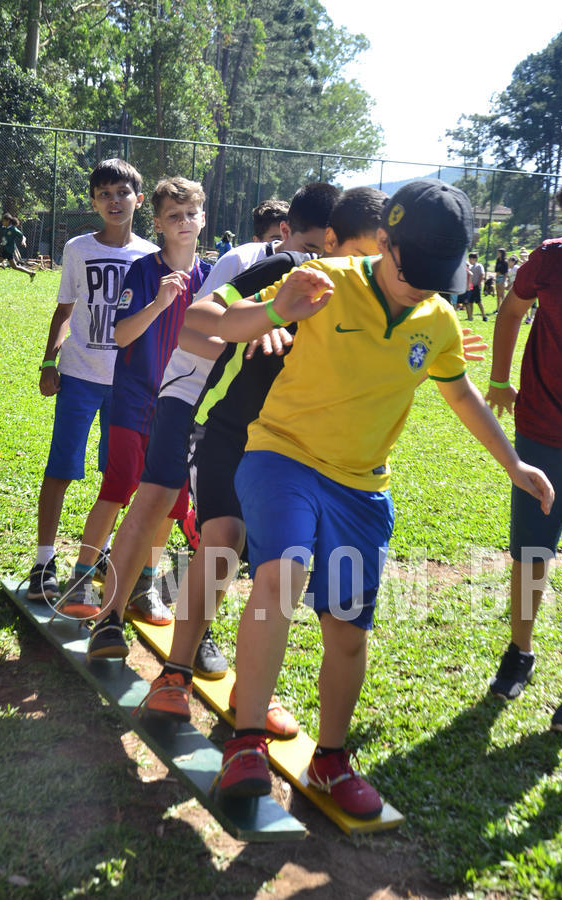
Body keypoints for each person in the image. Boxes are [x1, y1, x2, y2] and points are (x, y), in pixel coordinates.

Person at [174, 179, 554, 819]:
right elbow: (199, 320)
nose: (424, 286)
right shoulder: (323, 280)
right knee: (278, 580)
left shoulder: (437, 318)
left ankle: (331, 759)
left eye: (441, 277)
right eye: (415, 270)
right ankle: (245, 744)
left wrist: (512, 462)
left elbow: (459, 394)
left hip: (361, 485)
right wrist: (275, 313)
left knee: (348, 630)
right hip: (281, 456)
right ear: (384, 242)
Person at [119, 187, 388, 731]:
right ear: (330, 242)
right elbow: (201, 316)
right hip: (225, 434)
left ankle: (252, 689)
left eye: (382, 256)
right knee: (222, 540)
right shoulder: (290, 267)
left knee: (278, 571)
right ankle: (174, 675)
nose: (370, 269)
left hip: (292, 454)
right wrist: (265, 318)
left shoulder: (380, 300)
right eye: (362, 254)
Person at [82, 180, 340, 673]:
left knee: (225, 529)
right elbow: (196, 328)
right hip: (190, 392)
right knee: (157, 496)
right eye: (308, 247)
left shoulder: (329, 279)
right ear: (284, 231)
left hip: (248, 415)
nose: (316, 259)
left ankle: (199, 634)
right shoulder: (244, 261)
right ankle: (109, 619)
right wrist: (255, 329)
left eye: (326, 250)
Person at [58, 177, 214, 633]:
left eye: (191, 214)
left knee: (170, 499)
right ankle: (83, 579)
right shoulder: (143, 271)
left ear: (203, 218)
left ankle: (144, 586)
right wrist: (161, 303)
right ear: (159, 223)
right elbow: (120, 336)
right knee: (120, 485)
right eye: (173, 215)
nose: (183, 222)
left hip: (182, 407)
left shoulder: (211, 278)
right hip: (134, 401)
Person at [486, 155, 562, 737]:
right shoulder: (550, 260)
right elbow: (510, 309)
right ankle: (519, 653)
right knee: (531, 551)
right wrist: (501, 376)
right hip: (540, 432)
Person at [24, 159, 157, 603]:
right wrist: (49, 362)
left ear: (138, 198)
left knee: (116, 476)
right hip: (79, 378)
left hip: (127, 388)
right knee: (61, 468)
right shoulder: (78, 248)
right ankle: (44, 559)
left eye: (122, 192)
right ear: (94, 201)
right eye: (104, 194)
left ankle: (97, 550)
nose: (113, 201)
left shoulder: (150, 257)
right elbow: (64, 311)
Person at [199, 183, 341, 298]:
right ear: (285, 231)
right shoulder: (240, 261)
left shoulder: (338, 279)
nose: (317, 260)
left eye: (329, 255)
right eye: (310, 250)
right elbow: (194, 325)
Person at [0, 213, 36, 279]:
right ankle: (31, 273)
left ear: (8, 221)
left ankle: (31, 273)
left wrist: (23, 241)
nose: (2, 222)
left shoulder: (13, 229)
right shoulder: (3, 228)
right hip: (5, 249)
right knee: (14, 267)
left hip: (8, 250)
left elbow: (23, 236)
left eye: (3, 221)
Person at [464, 251, 488, 321]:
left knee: (478, 302)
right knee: (470, 302)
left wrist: (479, 284)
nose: (469, 260)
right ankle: (470, 316)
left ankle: (484, 316)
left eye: (470, 259)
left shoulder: (479, 266)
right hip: (471, 287)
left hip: (477, 286)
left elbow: (482, 275)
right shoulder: (469, 266)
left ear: (474, 259)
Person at [494, 248, 508, 312]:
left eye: (499, 253)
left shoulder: (505, 262)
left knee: (502, 295)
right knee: (498, 294)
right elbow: (496, 270)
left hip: (502, 278)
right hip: (497, 277)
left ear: (502, 253)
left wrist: (504, 281)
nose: (497, 254)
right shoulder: (497, 260)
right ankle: (498, 308)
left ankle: (504, 308)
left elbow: (506, 273)